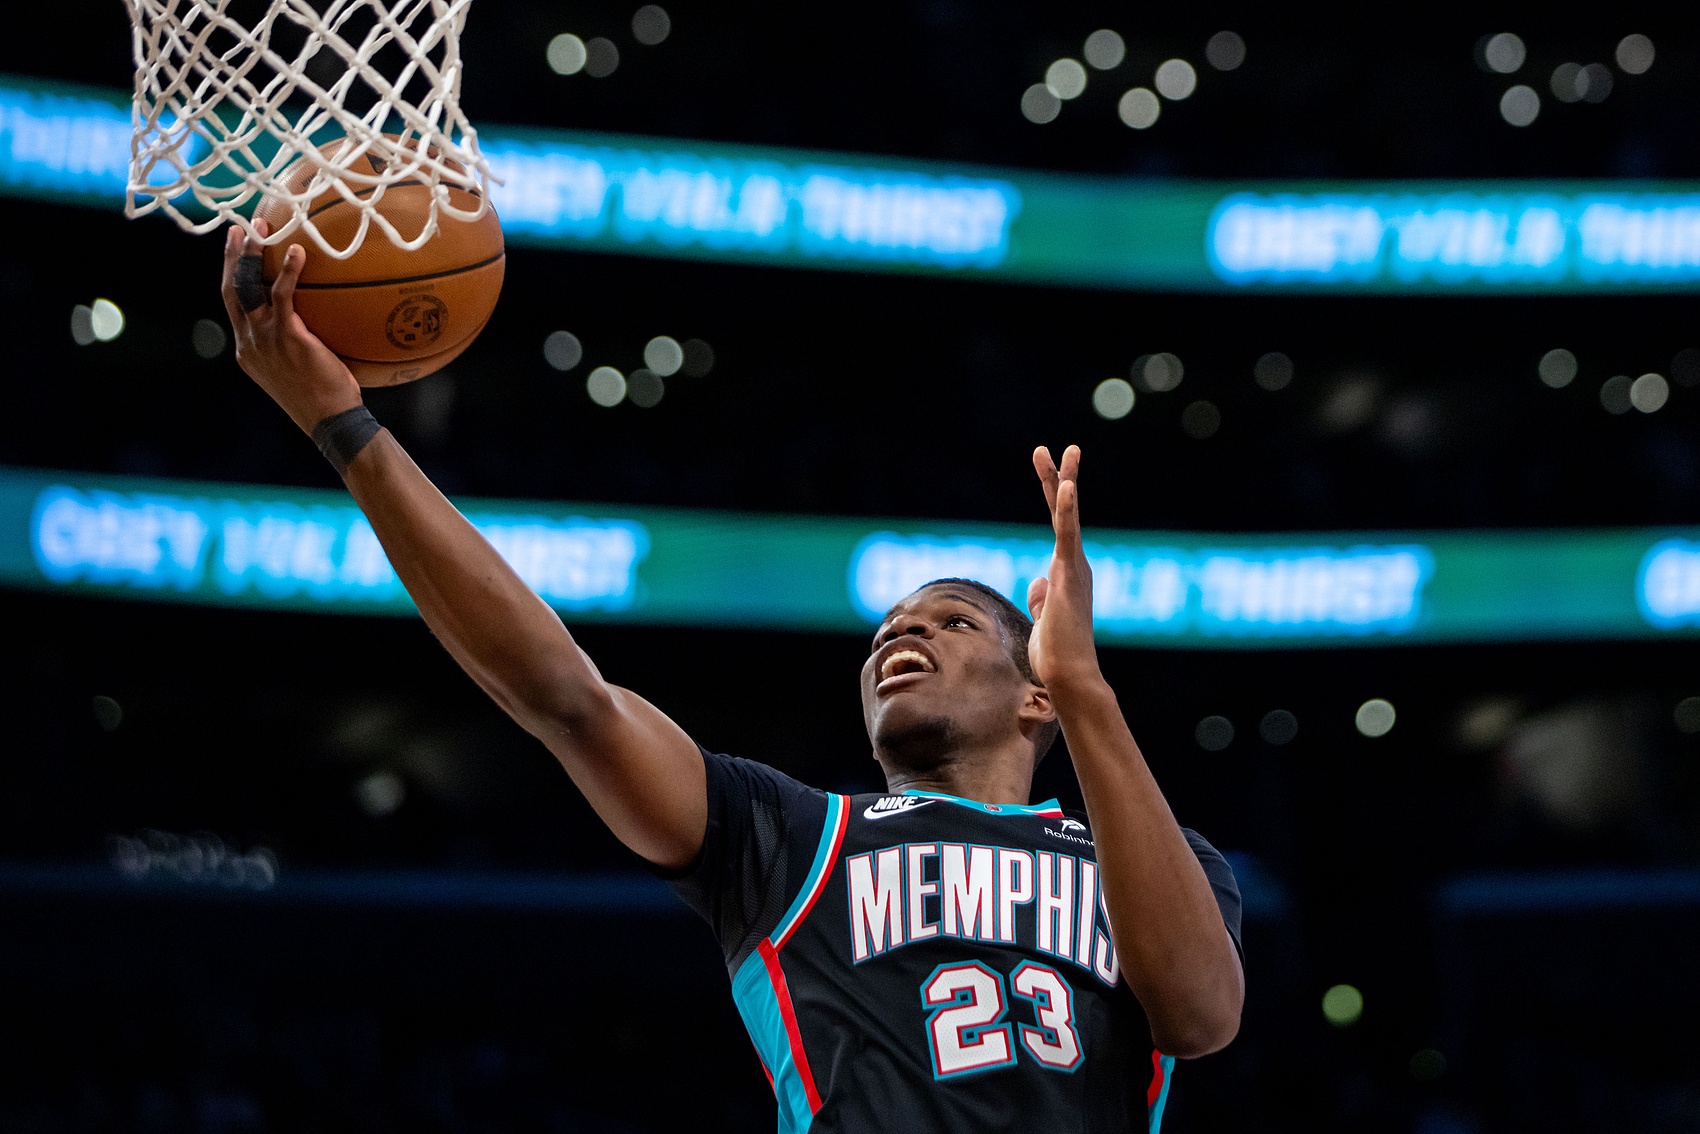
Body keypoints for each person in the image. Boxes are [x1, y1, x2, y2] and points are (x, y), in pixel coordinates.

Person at [220, 223, 1245, 1133]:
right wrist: (347, 432)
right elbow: (568, 699)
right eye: (888, 628)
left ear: (1036, 694)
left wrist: (1086, 692)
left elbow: (1199, 1016)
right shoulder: (792, 838)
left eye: (953, 621)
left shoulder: (1150, 860)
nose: (902, 633)